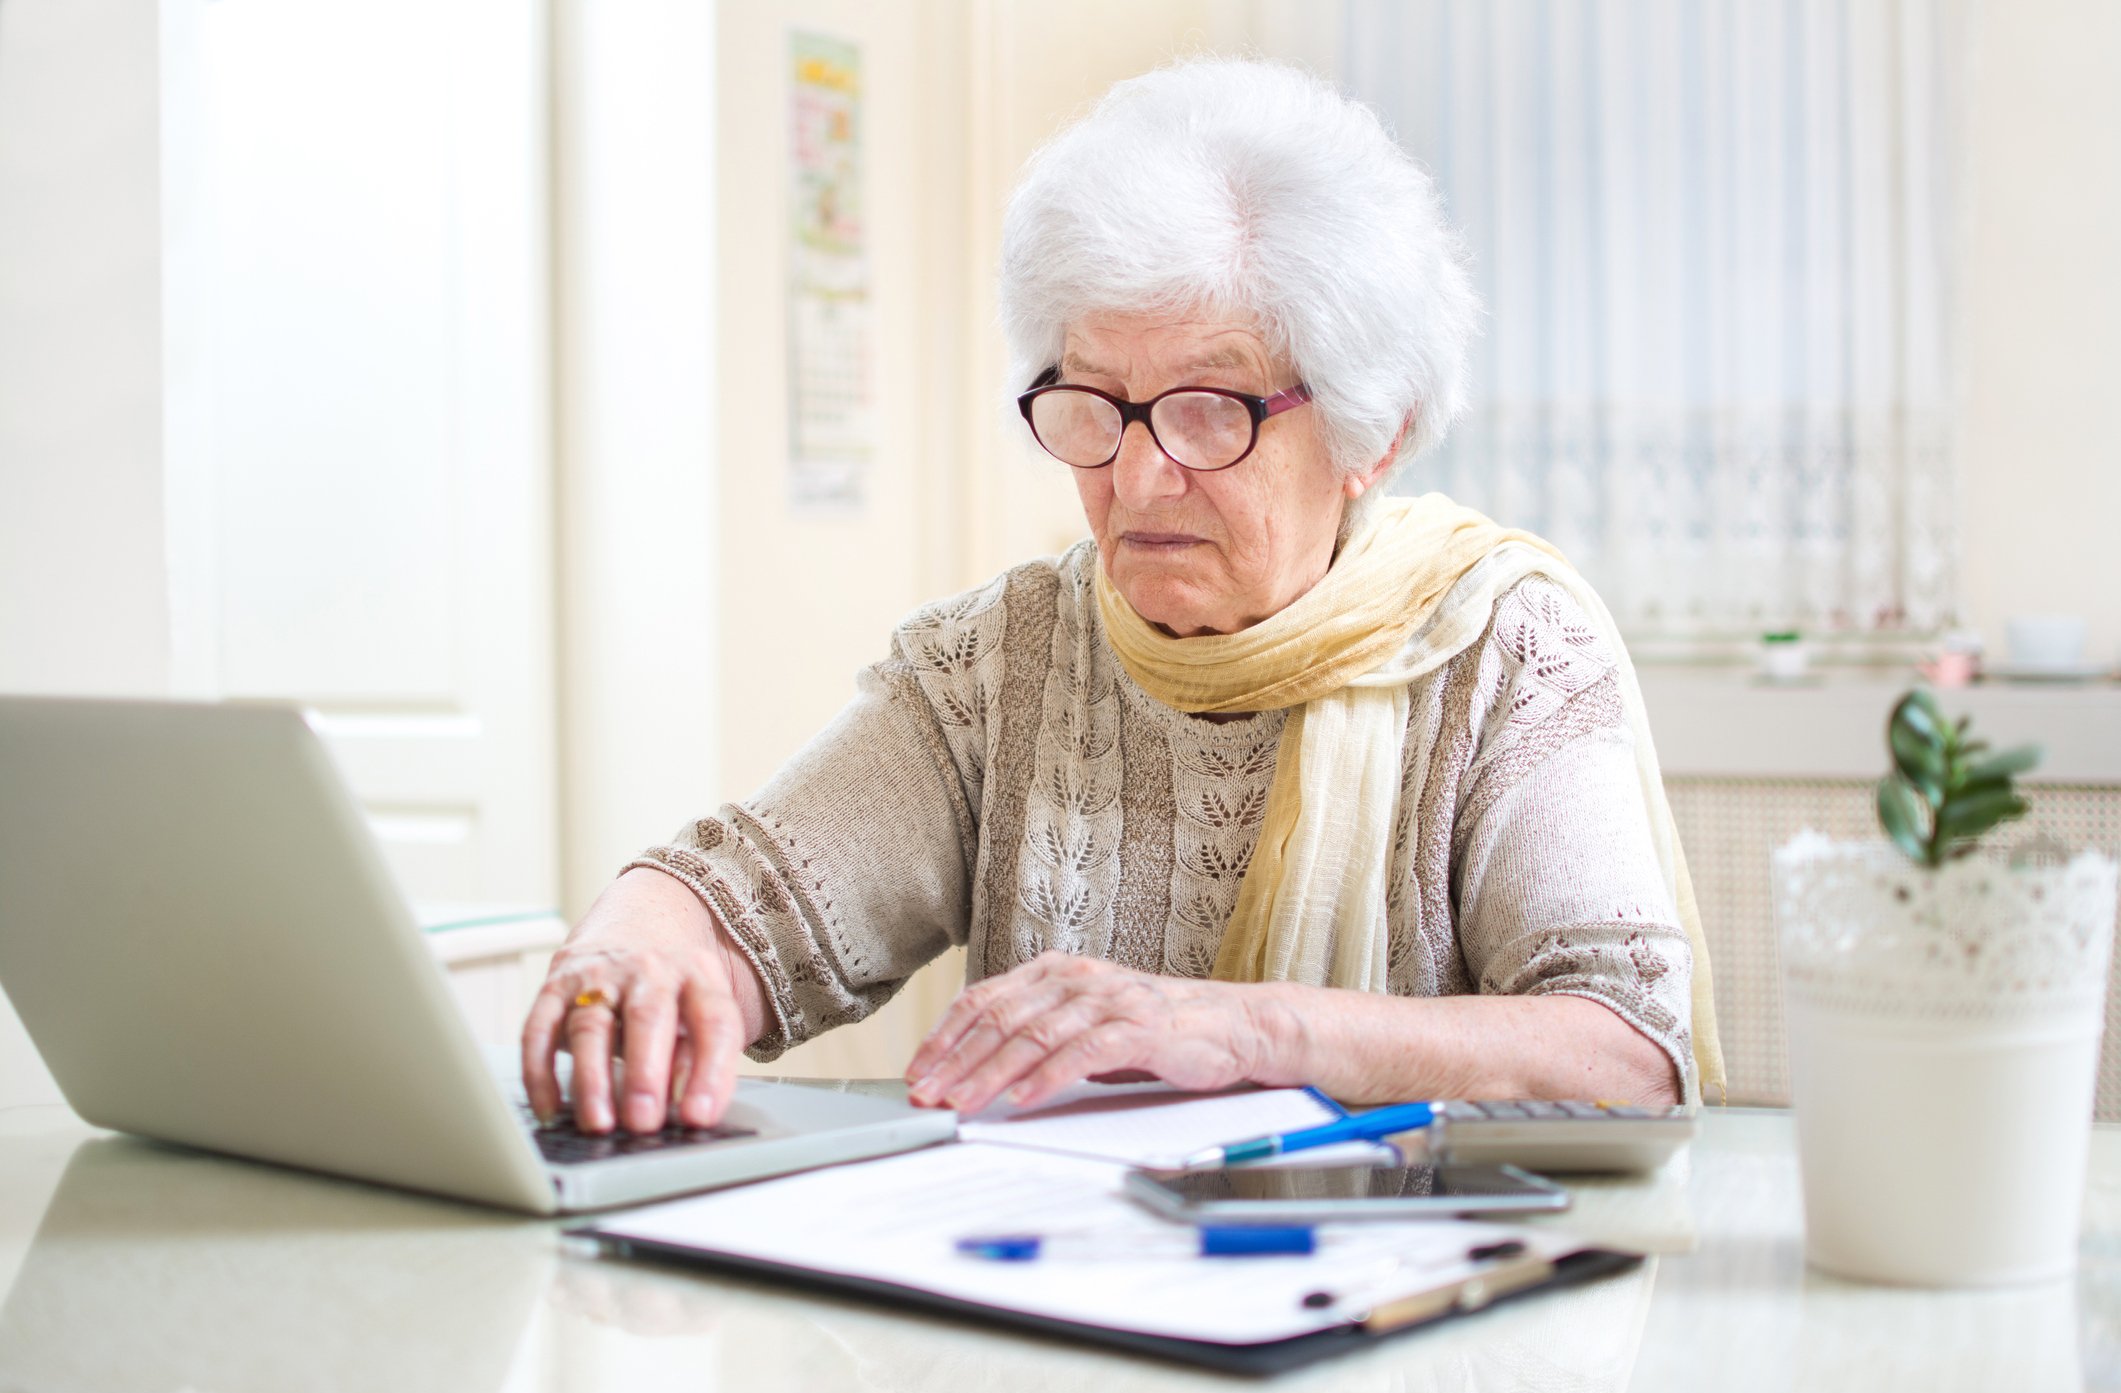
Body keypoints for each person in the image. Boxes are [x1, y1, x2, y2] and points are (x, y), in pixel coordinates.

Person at [521, 58, 1724, 1136]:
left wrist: (1250, 1032)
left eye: (1212, 408)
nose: (1137, 474)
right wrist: (639, 945)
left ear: (1376, 430)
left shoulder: (1507, 652)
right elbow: (743, 906)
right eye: (1094, 402)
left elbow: (1626, 1050)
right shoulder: (998, 663)